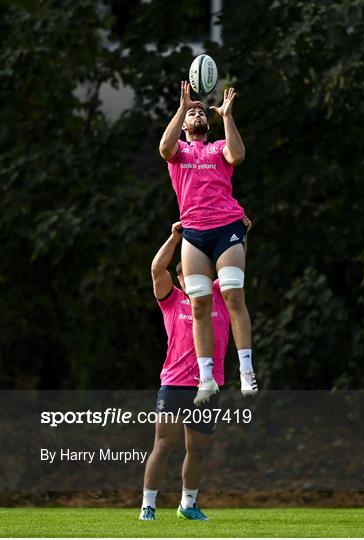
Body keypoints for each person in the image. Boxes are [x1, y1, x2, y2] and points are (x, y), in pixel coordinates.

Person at [140, 220, 247, 521]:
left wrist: (241, 234)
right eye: (189, 276)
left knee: (197, 450)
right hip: (175, 384)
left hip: (208, 385)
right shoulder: (172, 300)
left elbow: (235, 271)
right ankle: (148, 505)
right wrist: (174, 238)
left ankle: (188, 504)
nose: (197, 280)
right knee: (163, 445)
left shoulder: (219, 298)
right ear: (182, 279)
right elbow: (155, 270)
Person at [159, 82, 258, 405]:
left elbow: (239, 155)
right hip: (194, 234)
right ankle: (206, 379)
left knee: (232, 296)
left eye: (202, 112)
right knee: (199, 304)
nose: (199, 114)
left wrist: (227, 116)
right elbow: (163, 147)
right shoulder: (179, 153)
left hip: (226, 227)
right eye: (194, 113)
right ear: (186, 125)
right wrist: (182, 108)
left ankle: (246, 371)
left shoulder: (217, 149)